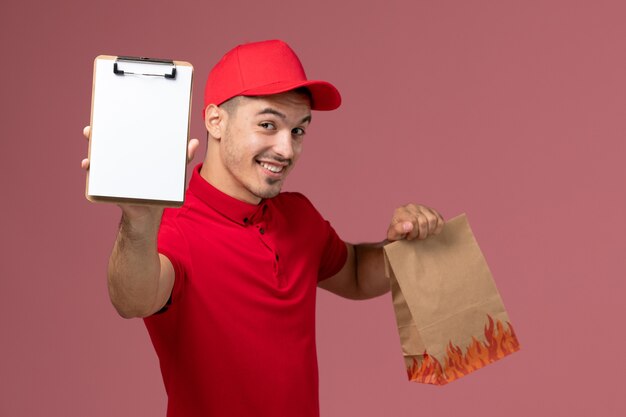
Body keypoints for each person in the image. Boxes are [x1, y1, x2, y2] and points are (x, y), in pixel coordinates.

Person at [82, 39, 444, 417]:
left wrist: (403, 242)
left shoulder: (299, 216)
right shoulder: (174, 228)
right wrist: (139, 223)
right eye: (268, 125)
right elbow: (132, 300)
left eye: (298, 131)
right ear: (215, 121)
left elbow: (353, 272)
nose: (286, 150)